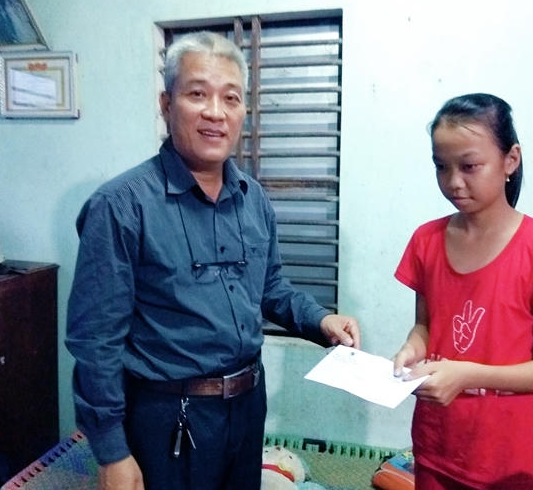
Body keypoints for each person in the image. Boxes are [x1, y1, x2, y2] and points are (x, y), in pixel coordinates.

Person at [65, 31, 360, 490]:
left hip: (247, 405)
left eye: (231, 98)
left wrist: (320, 320)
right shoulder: (120, 206)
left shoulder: (253, 198)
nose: (216, 113)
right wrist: (111, 452)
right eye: (198, 94)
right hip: (166, 415)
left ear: (244, 112)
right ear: (167, 104)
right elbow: (95, 340)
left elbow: (270, 288)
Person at [391, 93, 533, 490]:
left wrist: (466, 374)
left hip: (505, 457)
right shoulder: (426, 240)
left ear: (510, 160)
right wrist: (412, 348)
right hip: (436, 443)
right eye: (441, 167)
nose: (453, 182)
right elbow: (426, 326)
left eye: (469, 166)